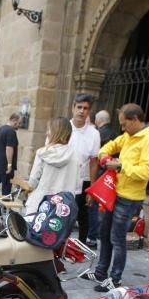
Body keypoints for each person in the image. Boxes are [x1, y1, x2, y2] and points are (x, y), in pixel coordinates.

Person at [81, 103, 149, 292]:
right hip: (114, 193)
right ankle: (101, 272)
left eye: (124, 124)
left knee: (117, 239)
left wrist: (120, 166)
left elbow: (147, 172)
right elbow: (110, 145)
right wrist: (103, 156)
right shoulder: (129, 135)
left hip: (129, 198)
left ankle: (115, 279)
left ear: (135, 120)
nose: (122, 128)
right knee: (104, 234)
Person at [25, 117, 80, 214]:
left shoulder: (43, 153)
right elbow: (77, 186)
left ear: (53, 132)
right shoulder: (75, 155)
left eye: (48, 129)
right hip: (62, 210)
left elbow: (33, 182)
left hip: (40, 205)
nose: (47, 132)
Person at [69, 93, 100, 243]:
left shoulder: (94, 134)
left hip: (84, 180)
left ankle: (80, 245)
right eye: (79, 107)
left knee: (83, 216)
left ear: (89, 111)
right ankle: (58, 245)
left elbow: (94, 161)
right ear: (73, 108)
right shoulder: (64, 128)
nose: (81, 111)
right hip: (64, 179)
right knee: (63, 214)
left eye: (85, 108)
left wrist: (92, 190)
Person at [87, 110, 117, 248]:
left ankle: (92, 236)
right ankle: (98, 234)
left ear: (98, 120)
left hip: (100, 174)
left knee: (93, 207)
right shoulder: (115, 134)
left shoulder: (98, 134)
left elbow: (95, 157)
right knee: (105, 207)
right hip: (111, 176)